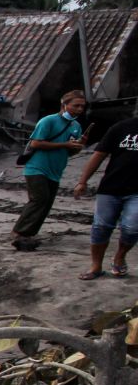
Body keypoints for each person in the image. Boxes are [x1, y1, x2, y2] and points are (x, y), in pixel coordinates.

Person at [13, 89, 87, 250]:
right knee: (39, 199)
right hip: (37, 167)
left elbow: (71, 151)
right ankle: (20, 233)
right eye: (76, 106)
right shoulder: (48, 121)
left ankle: (28, 234)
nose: (80, 109)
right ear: (64, 104)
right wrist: (64, 144)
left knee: (46, 203)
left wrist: (79, 146)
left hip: (55, 170)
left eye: (82, 106)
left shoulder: (76, 126)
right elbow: (35, 143)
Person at [71, 108, 138, 280]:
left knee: (131, 228)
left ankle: (120, 257)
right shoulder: (121, 128)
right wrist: (82, 181)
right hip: (110, 188)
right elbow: (98, 155)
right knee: (101, 227)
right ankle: (96, 267)